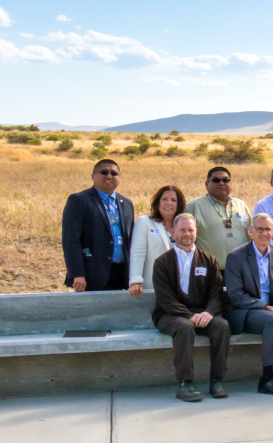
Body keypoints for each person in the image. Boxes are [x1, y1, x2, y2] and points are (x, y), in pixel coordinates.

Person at [151, 213, 229, 402]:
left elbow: (216, 292)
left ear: (196, 232)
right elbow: (165, 298)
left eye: (191, 230)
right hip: (170, 314)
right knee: (185, 328)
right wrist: (188, 315)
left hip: (202, 313)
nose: (187, 234)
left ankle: (217, 380)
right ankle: (185, 383)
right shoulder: (162, 263)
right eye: (183, 230)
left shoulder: (209, 260)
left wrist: (209, 313)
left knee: (222, 326)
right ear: (173, 232)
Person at [224, 213, 273, 395]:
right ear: (250, 231)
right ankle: (266, 379)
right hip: (245, 311)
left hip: (271, 309)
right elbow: (236, 296)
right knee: (272, 320)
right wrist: (265, 306)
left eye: (268, 229)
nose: (263, 233)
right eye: (259, 229)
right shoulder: (236, 257)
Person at [62, 158, 135, 292]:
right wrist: (77, 273)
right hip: (92, 274)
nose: (109, 176)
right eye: (104, 172)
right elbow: (70, 240)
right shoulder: (79, 200)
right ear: (93, 176)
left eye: (114, 173)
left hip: (121, 274)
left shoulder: (126, 203)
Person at [185, 166, 252, 266]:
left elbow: (252, 234)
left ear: (231, 184)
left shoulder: (241, 205)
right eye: (216, 180)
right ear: (207, 184)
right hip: (209, 270)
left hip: (240, 270)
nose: (221, 183)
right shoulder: (194, 206)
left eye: (226, 180)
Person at [128, 184, 185, 296]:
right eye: (164, 199)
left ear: (179, 204)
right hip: (152, 285)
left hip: (180, 287)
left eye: (173, 200)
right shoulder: (144, 222)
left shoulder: (184, 224)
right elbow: (137, 253)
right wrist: (135, 281)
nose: (169, 203)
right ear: (158, 202)